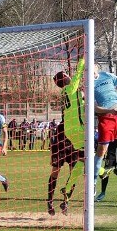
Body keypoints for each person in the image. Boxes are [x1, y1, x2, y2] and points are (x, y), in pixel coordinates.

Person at [47, 59, 86, 215]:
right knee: (66, 170)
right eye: (66, 75)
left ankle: (60, 202)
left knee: (70, 169)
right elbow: (78, 74)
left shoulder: (68, 91)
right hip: (68, 134)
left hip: (64, 132)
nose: (70, 76)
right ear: (65, 79)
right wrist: (84, 59)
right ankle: (56, 202)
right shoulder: (71, 88)